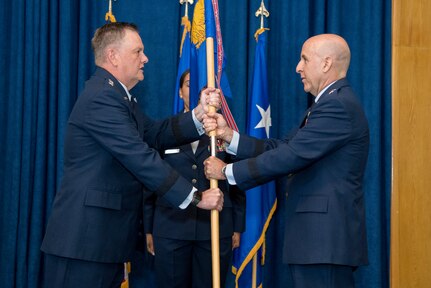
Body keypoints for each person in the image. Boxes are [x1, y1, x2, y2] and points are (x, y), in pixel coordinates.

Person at [40, 22, 224, 288]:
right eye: (138, 52)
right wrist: (196, 197)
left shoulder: (119, 97)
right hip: (85, 242)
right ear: (113, 56)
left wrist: (197, 113)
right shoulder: (102, 98)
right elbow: (140, 157)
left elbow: (154, 133)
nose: (145, 58)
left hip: (102, 241)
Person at [203, 34, 369, 288]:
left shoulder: (337, 105)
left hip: (324, 242)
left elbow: (290, 156)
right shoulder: (326, 104)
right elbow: (281, 146)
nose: (297, 67)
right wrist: (230, 136)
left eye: (304, 59)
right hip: (316, 243)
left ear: (326, 63)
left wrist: (227, 171)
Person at [143, 70, 246, 288]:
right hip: (170, 227)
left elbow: (237, 179)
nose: (198, 92)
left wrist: (237, 225)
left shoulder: (224, 131)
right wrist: (148, 227)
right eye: (189, 85)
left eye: (202, 88)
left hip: (215, 228)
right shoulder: (164, 131)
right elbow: (150, 181)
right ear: (180, 92)